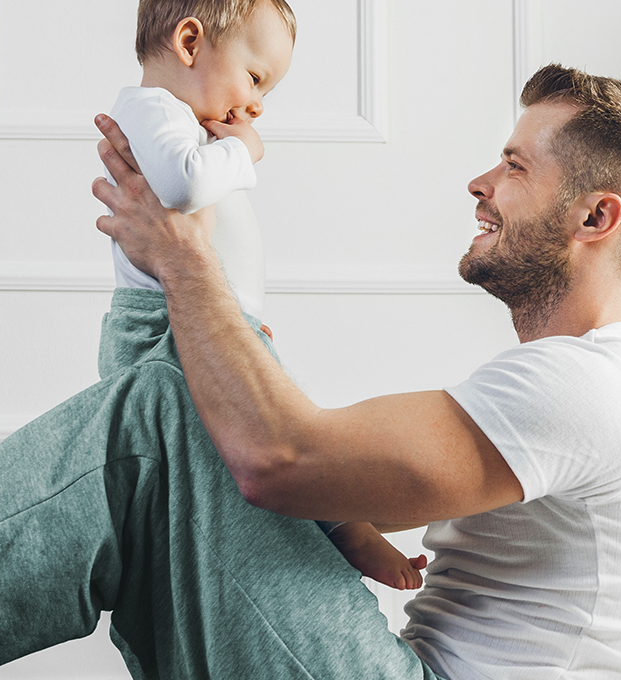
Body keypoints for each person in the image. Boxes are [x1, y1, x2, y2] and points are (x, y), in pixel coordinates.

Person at [0, 62, 621, 680]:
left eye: (516, 166)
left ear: (595, 216)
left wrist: (181, 260)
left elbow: (282, 457)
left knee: (177, 402)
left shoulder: (594, 386)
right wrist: (180, 282)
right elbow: (298, 459)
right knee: (182, 397)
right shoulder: (586, 387)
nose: (480, 182)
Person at [105, 0, 429, 590]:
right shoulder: (152, 109)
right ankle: (346, 530)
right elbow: (183, 184)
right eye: (255, 78)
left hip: (207, 321)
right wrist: (246, 150)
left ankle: (343, 527)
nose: (255, 106)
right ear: (188, 42)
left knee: (288, 434)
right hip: (163, 332)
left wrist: (242, 322)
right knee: (266, 446)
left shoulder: (182, 123)